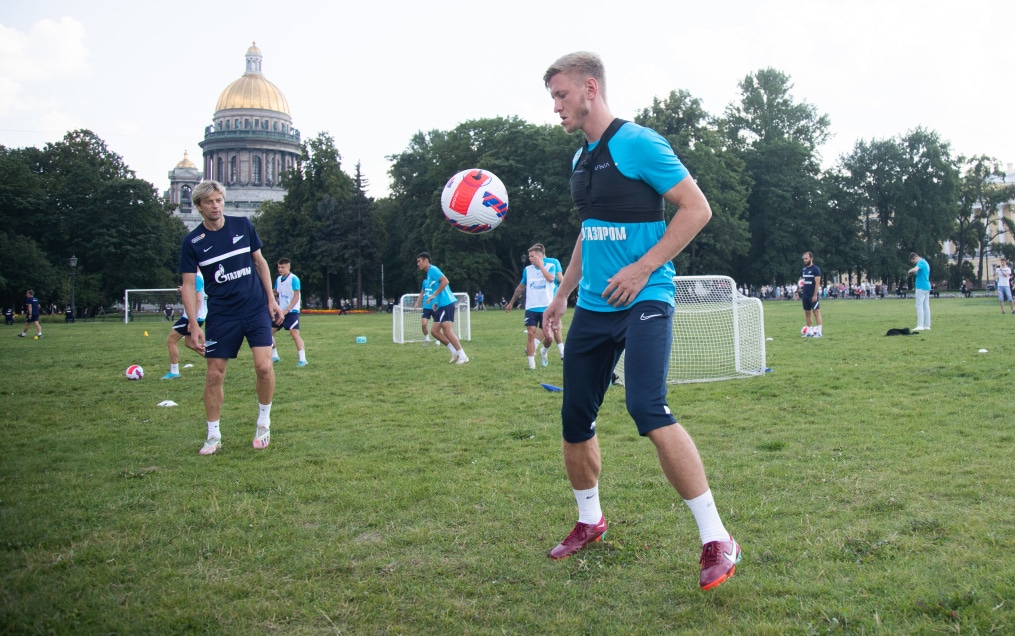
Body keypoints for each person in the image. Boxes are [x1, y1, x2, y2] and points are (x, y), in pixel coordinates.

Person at [540, 52, 739, 590]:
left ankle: (717, 537)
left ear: (590, 88)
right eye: (552, 98)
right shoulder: (581, 160)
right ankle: (590, 520)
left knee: (647, 407)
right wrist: (562, 294)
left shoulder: (639, 143)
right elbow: (589, 233)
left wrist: (643, 266)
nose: (555, 107)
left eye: (561, 95)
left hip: (646, 296)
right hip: (594, 306)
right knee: (574, 419)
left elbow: (696, 209)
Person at [178, 180, 284, 456]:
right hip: (222, 314)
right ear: (199, 206)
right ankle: (213, 435)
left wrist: (271, 300)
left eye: (219, 200)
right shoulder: (192, 242)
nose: (215, 206)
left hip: (255, 307)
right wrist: (193, 324)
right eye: (209, 202)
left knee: (264, 367)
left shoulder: (243, 225)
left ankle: (263, 422)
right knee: (214, 375)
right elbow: (188, 285)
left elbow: (260, 262)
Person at [506, 244, 560, 369]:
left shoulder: (550, 266)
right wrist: (511, 302)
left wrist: (540, 266)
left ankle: (543, 351)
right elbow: (521, 287)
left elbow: (551, 279)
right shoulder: (527, 270)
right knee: (531, 333)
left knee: (549, 337)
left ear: (540, 256)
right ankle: (531, 364)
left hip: (546, 307)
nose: (530, 258)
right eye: (529, 256)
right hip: (531, 307)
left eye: (532, 256)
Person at [416, 252, 468, 364]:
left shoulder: (433, 269)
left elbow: (445, 281)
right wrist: (436, 302)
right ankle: (454, 351)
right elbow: (439, 287)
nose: (418, 264)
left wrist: (433, 295)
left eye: (419, 261)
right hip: (441, 304)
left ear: (426, 261)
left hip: (447, 303)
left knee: (447, 330)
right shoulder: (429, 274)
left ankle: (463, 356)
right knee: (434, 331)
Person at [161, 271, 207, 379]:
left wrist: (192, 321)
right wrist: (184, 290)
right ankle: (215, 359)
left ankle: (174, 372)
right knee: (190, 343)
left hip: (192, 317)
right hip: (196, 317)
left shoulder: (196, 278)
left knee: (171, 340)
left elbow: (198, 299)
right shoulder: (199, 276)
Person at [271, 258, 309, 367]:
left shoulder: (294, 279)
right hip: (281, 311)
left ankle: (303, 359)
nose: (280, 269)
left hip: (292, 311)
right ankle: (274, 356)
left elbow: (296, 296)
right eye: (279, 267)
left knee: (294, 333)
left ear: (288, 267)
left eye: (282, 267)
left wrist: (288, 309)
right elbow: (276, 292)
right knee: (268, 333)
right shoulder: (278, 279)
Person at [540, 245, 567, 360]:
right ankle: (559, 352)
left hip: (540, 300)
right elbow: (561, 279)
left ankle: (558, 352)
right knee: (554, 326)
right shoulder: (554, 262)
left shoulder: (533, 266)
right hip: (551, 298)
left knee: (555, 326)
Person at [412, 274, 443, 347]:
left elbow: (441, 293)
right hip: (426, 306)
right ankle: (427, 338)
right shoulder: (425, 282)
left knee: (437, 324)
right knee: (423, 324)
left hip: (435, 307)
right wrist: (417, 302)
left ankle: (438, 339)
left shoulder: (438, 282)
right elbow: (422, 293)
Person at [800, 252, 823, 337]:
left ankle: (819, 332)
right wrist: (797, 290)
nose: (805, 260)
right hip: (805, 295)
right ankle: (809, 332)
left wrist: (815, 295)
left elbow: (817, 283)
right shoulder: (804, 270)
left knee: (816, 312)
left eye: (806, 259)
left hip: (812, 295)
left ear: (811, 258)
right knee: (807, 313)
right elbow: (801, 281)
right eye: (804, 259)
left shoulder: (815, 269)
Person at [907, 252, 931, 331]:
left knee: (919, 305)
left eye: (913, 261)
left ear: (915, 258)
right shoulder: (925, 262)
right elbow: (918, 273)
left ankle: (920, 325)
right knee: (926, 306)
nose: (914, 263)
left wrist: (909, 271)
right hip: (926, 286)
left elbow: (915, 269)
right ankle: (927, 325)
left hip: (921, 287)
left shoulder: (921, 262)